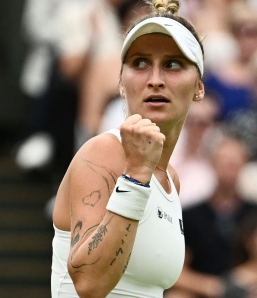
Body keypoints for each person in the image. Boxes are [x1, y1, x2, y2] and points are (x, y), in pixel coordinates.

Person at [50, 0, 205, 297]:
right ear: (121, 83)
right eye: (140, 63)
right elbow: (89, 284)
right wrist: (135, 176)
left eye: (173, 64)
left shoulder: (172, 178)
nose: (155, 80)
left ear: (199, 86)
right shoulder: (102, 152)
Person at [167, 135, 257, 298]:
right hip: (202, 291)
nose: (229, 167)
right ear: (211, 163)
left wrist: (243, 280)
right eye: (224, 161)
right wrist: (211, 287)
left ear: (245, 164)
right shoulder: (190, 216)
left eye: (234, 162)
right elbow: (175, 271)